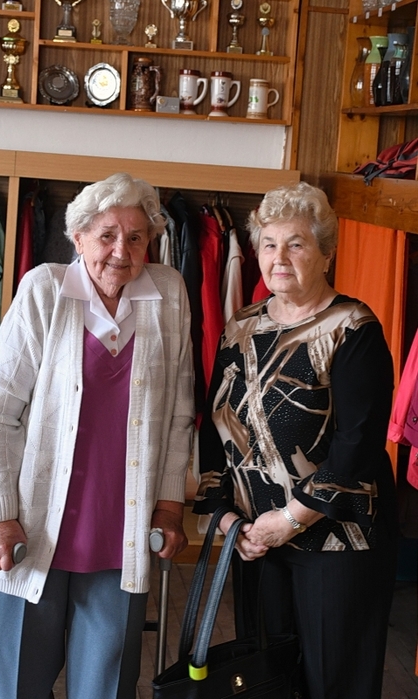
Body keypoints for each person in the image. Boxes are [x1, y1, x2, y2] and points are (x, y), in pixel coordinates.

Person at [0, 172, 195, 699]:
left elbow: (179, 413)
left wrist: (167, 506)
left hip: (120, 530)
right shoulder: (45, 288)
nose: (121, 251)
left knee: (106, 687)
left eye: (135, 237)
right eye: (107, 235)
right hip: (30, 525)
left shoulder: (169, 293)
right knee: (18, 683)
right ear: (78, 237)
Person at [194, 181, 398, 699]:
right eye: (269, 244)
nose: (278, 257)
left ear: (326, 253)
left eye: (296, 244)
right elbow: (214, 426)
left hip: (336, 540)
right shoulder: (240, 327)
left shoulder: (354, 328)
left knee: (334, 681)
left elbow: (357, 445)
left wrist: (289, 520)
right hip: (255, 540)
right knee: (266, 678)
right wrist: (227, 518)